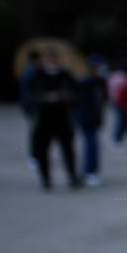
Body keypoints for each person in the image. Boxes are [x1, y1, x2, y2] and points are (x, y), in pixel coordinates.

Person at [28, 47, 81, 190]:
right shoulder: (37, 75)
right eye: (49, 58)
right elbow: (30, 95)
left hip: (62, 117)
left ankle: (72, 176)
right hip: (44, 118)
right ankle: (45, 179)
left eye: (54, 57)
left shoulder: (65, 74)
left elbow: (75, 92)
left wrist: (66, 96)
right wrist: (45, 98)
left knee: (68, 149)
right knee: (43, 150)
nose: (52, 60)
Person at [73, 55, 109, 186]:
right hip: (86, 117)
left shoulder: (100, 81)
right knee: (91, 145)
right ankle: (90, 171)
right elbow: (77, 102)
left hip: (95, 117)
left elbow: (102, 101)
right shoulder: (85, 82)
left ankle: (92, 170)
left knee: (94, 144)